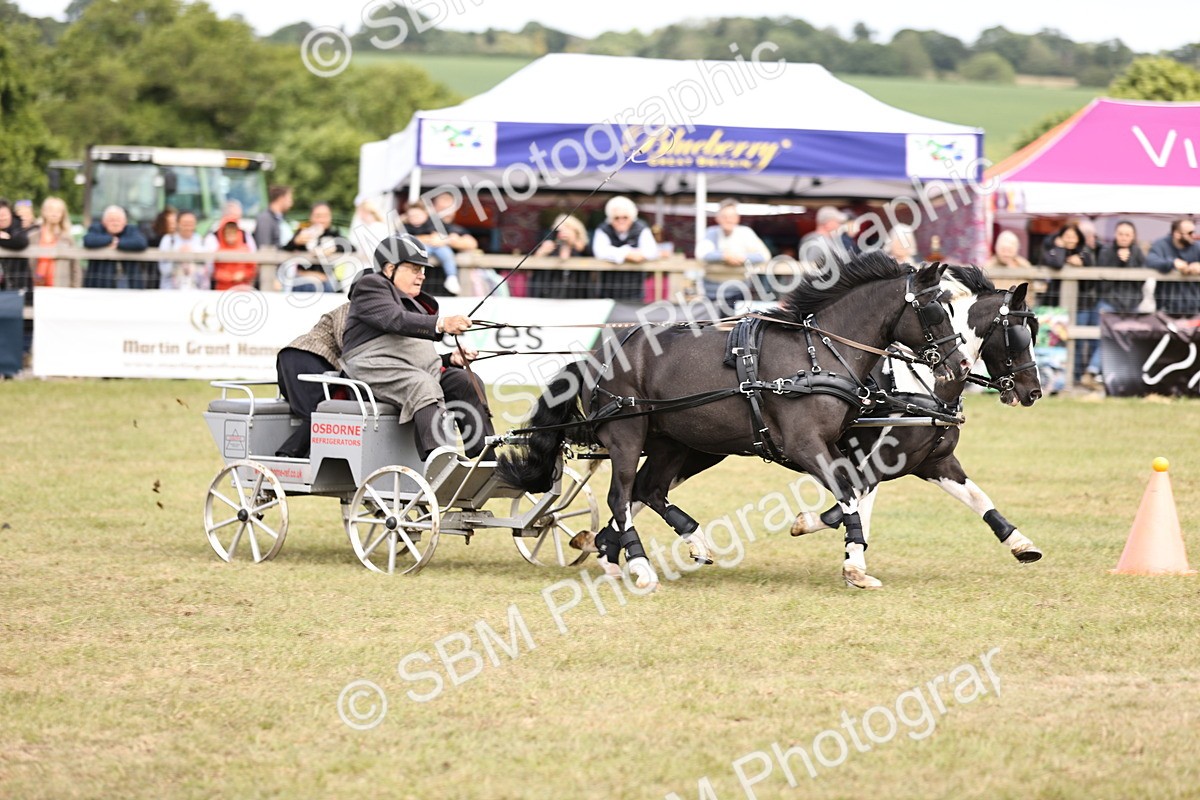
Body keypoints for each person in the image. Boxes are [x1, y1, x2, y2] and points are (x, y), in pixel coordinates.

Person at [341, 233, 494, 460]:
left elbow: (410, 351)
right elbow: (395, 320)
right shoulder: (370, 285)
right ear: (390, 268)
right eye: (414, 269)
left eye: (423, 270)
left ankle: (486, 461)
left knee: (466, 382)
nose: (422, 276)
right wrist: (441, 323)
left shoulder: (417, 302)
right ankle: (441, 464)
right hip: (373, 368)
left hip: (411, 370)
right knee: (423, 386)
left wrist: (448, 359)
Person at [274, 303, 351, 458]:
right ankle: (287, 457)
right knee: (322, 415)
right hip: (307, 358)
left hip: (296, 358)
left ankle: (298, 458)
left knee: (322, 414)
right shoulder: (352, 307)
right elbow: (347, 342)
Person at [1082, 220, 1148, 389]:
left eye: (1127, 234)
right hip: (1108, 302)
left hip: (1131, 304)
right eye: (1120, 234)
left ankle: (1101, 374)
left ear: (1133, 237)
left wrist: (1128, 261)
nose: (1124, 238)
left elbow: (1142, 280)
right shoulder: (1106, 252)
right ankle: (1093, 371)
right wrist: (1119, 262)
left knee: (1125, 340)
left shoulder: (1138, 253)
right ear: (1115, 235)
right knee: (1104, 338)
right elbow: (1103, 280)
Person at [694, 198, 769, 305]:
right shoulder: (711, 233)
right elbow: (702, 254)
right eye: (724, 217)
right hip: (712, 292)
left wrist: (742, 258)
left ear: (737, 218)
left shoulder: (746, 233)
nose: (728, 220)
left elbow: (764, 255)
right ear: (718, 218)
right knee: (713, 321)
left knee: (739, 320)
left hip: (739, 291)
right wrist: (724, 256)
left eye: (731, 216)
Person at [591, 195, 658, 302]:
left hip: (635, 291)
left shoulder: (641, 227)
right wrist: (627, 253)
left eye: (625, 217)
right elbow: (599, 251)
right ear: (610, 218)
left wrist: (615, 252)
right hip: (608, 292)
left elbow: (652, 251)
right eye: (616, 218)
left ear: (632, 217)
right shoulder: (603, 228)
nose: (621, 221)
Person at [282, 202, 347, 293]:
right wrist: (295, 242)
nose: (322, 220)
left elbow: (351, 246)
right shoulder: (303, 233)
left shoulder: (333, 235)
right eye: (318, 216)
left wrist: (335, 247)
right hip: (304, 278)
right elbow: (284, 250)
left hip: (326, 280)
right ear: (311, 217)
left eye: (325, 216)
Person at [82, 205, 150, 288]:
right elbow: (88, 240)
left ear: (125, 221)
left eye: (118, 220)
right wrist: (110, 240)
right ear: (103, 222)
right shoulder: (96, 229)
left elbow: (141, 243)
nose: (115, 223)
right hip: (100, 285)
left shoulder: (131, 230)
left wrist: (118, 243)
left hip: (129, 285)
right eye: (111, 220)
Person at [403, 201, 462, 296]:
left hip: (437, 247)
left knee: (446, 252)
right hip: (422, 250)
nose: (414, 218)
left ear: (425, 214)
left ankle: (452, 277)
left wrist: (443, 239)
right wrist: (427, 238)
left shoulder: (434, 223)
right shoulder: (405, 227)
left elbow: (449, 234)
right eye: (411, 216)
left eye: (417, 215)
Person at [530, 213, 591, 299]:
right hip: (550, 296)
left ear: (576, 231)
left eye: (567, 228)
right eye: (560, 230)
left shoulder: (583, 249)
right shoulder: (551, 249)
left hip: (577, 296)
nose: (563, 233)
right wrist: (541, 252)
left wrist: (573, 243)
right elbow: (532, 270)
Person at [1147, 218, 1200, 316]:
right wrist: (1172, 263)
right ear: (1177, 234)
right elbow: (1150, 261)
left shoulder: (1197, 247)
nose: (1193, 235)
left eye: (1194, 232)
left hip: (1194, 308)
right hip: (1167, 309)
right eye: (1190, 233)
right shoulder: (1161, 244)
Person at [1040, 222, 1095, 306]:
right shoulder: (1052, 252)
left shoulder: (1085, 255)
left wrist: (1081, 266)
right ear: (1060, 237)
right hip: (1054, 303)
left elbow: (1090, 285)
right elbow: (1058, 264)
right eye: (1067, 236)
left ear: (1078, 239)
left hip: (1080, 304)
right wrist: (1060, 247)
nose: (1070, 240)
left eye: (1074, 237)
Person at [27, 197, 77, 288]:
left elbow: (75, 268)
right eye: (51, 210)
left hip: (60, 288)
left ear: (63, 214)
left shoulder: (68, 239)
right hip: (34, 287)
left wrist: (75, 288)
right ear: (44, 212)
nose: (55, 214)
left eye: (59, 211)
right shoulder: (32, 237)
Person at [157, 210, 211, 290]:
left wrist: (193, 255)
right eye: (185, 224)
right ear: (178, 224)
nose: (188, 227)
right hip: (171, 290)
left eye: (191, 224)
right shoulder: (168, 240)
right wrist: (178, 255)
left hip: (197, 290)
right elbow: (163, 269)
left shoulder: (203, 241)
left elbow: (210, 269)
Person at [798, 205, 854, 271]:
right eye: (837, 222)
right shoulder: (816, 241)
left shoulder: (830, 239)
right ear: (828, 222)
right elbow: (809, 268)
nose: (839, 225)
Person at [210, 215, 257, 290]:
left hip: (242, 290)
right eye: (228, 233)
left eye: (233, 232)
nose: (231, 236)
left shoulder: (245, 249)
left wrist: (243, 274)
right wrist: (231, 277)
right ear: (222, 234)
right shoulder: (219, 251)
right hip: (223, 290)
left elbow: (252, 269)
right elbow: (216, 272)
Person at [0, 200, 31, 292]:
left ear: (10, 214)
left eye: (4, 214)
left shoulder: (17, 227)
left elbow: (21, 242)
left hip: (15, 284)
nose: (2, 218)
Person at [253, 185, 294, 250]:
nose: (291, 202)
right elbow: (264, 247)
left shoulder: (278, 218)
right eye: (290, 198)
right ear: (281, 198)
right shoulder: (265, 219)